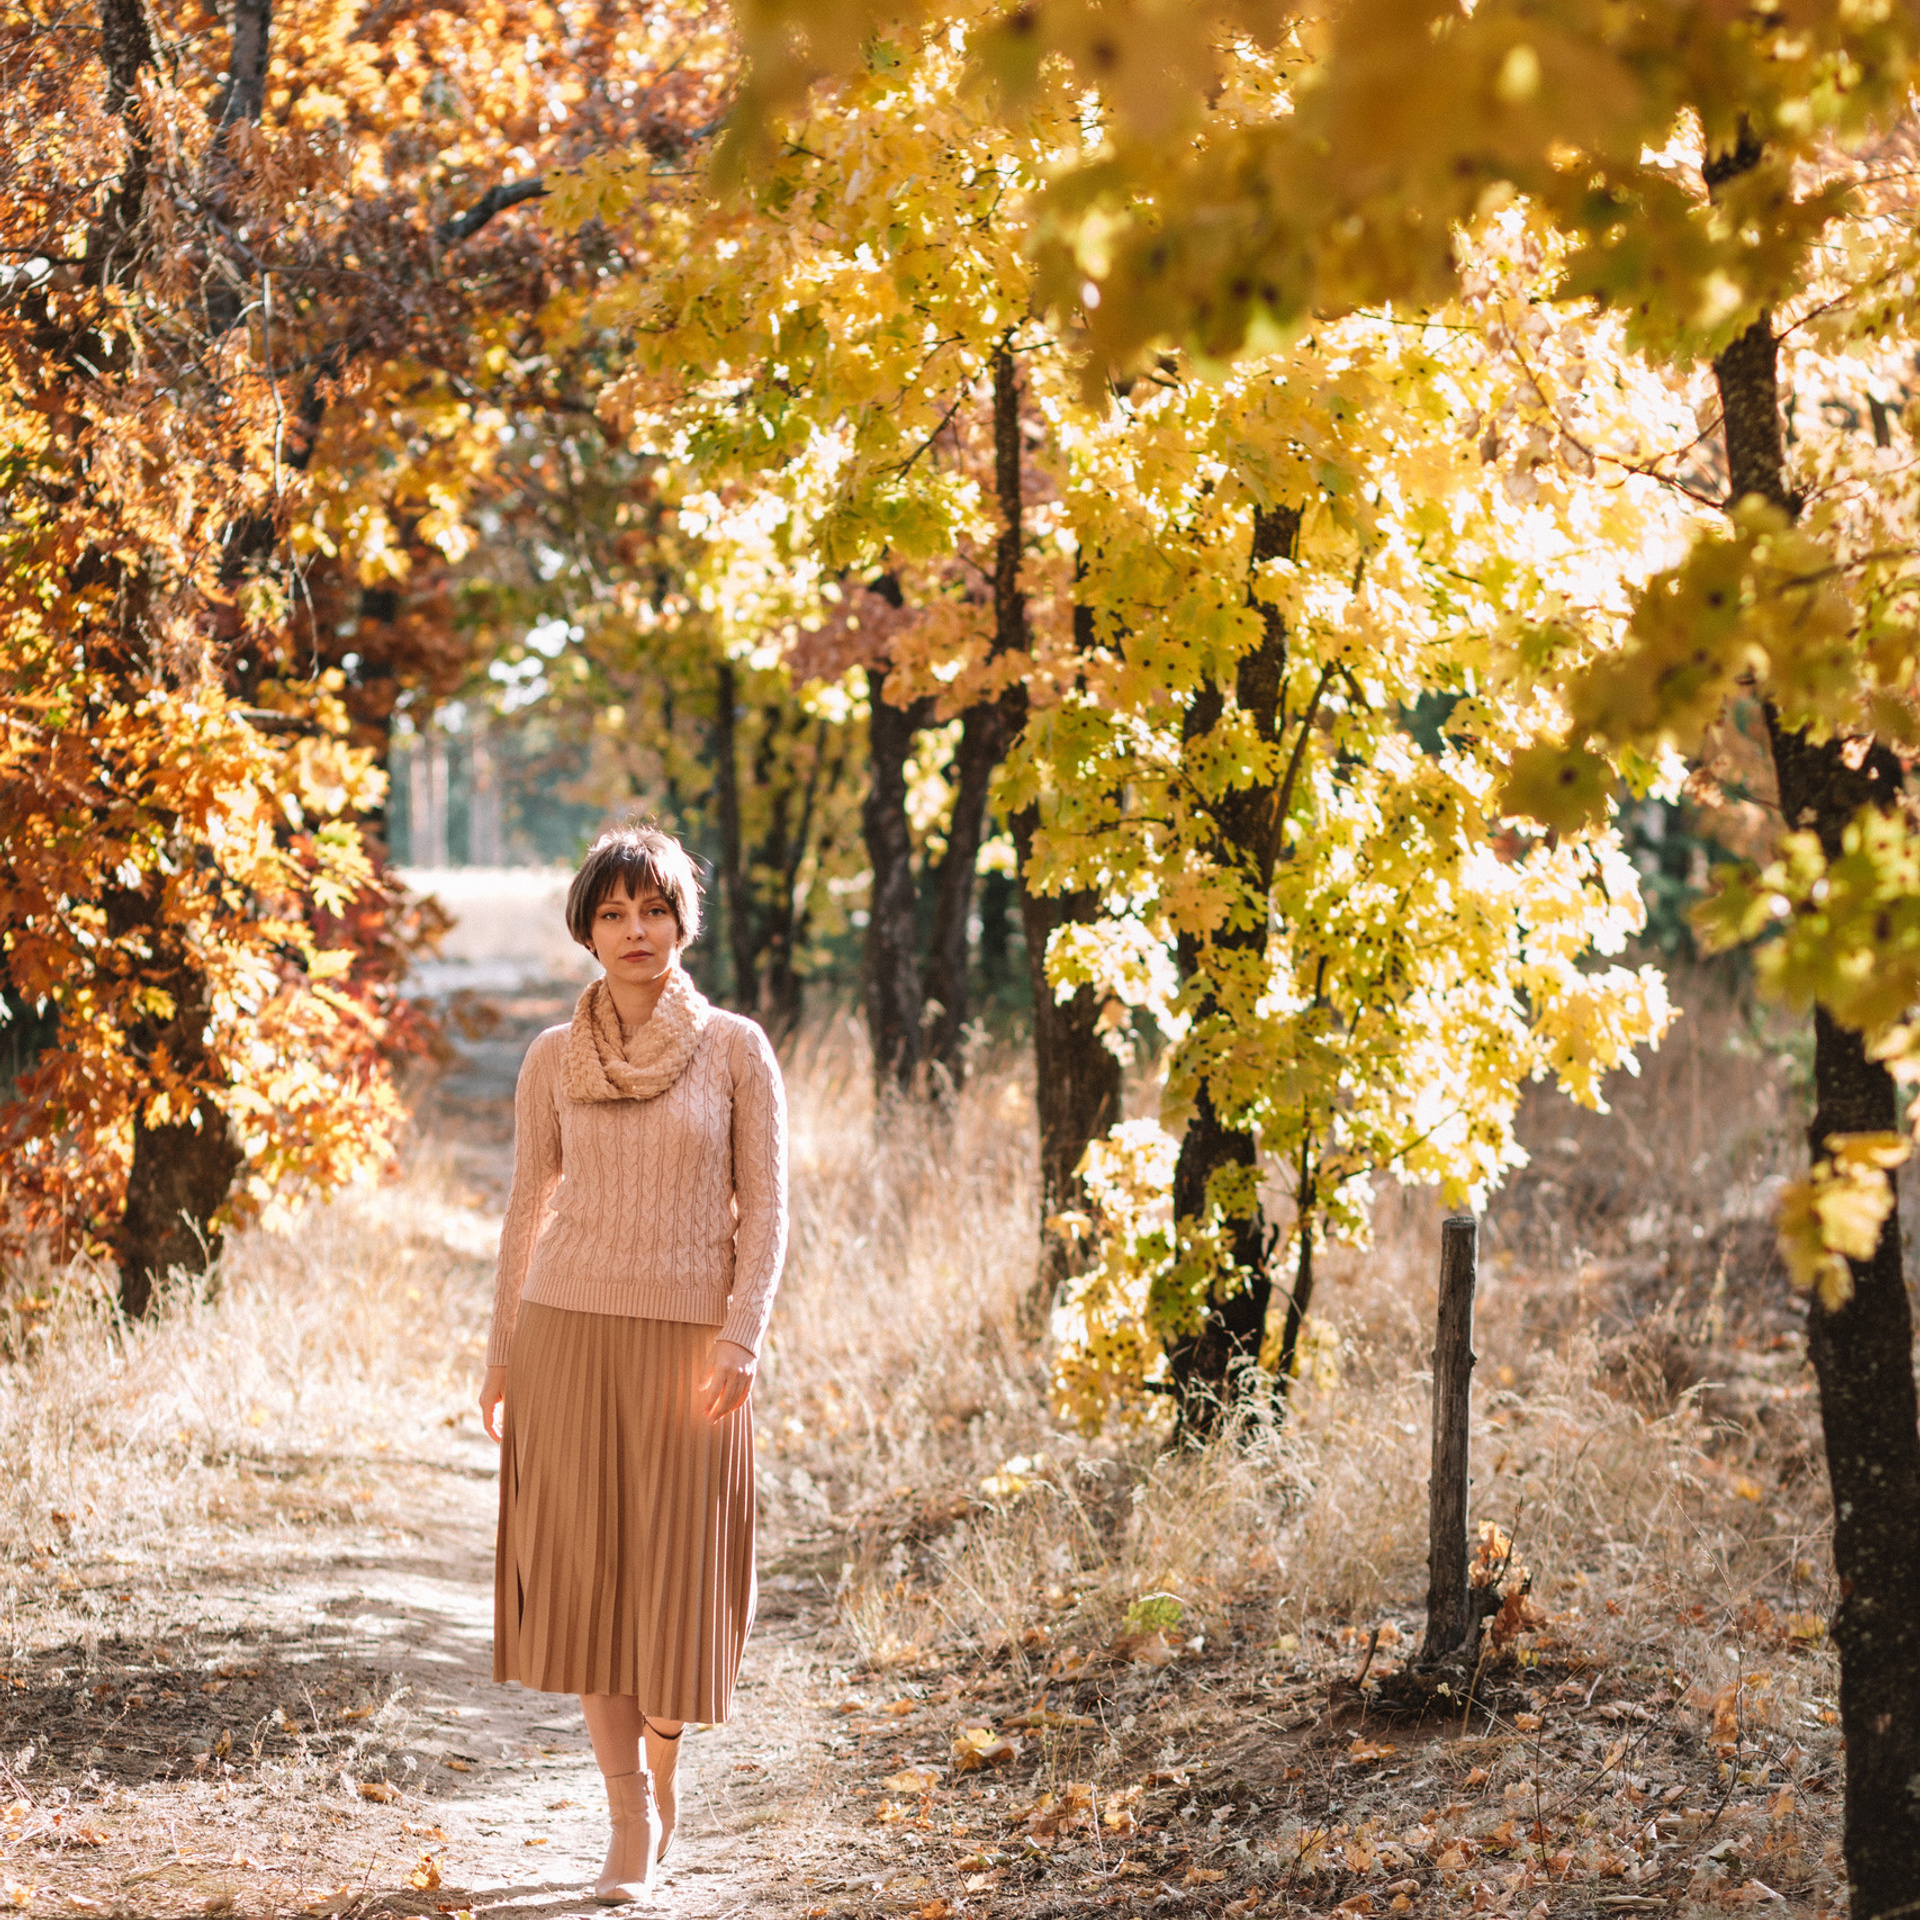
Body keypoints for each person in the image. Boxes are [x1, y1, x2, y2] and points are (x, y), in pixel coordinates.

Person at [478, 824, 788, 1903]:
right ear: (587, 930)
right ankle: (627, 1813)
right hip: (567, 1334)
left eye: (652, 911)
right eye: (612, 914)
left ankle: (664, 1752)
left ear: (682, 922)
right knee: (591, 1588)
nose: (634, 931)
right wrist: (501, 1354)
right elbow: (528, 1206)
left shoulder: (738, 1048)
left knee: (678, 1591)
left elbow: (769, 1212)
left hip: (690, 1350)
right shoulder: (550, 1059)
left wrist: (743, 1333)